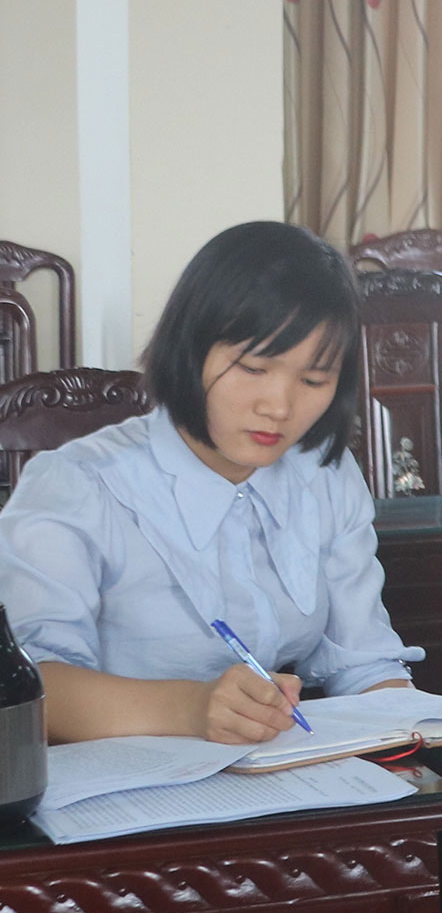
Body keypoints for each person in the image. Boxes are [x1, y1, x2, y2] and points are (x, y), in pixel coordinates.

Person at [0, 221, 420, 744]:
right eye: (253, 369)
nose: (279, 407)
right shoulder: (78, 485)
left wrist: (419, 738)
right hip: (127, 778)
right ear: (190, 348)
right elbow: (32, 690)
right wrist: (191, 708)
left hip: (281, 769)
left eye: (314, 380)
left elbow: (365, 662)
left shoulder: (322, 472)